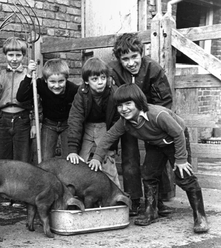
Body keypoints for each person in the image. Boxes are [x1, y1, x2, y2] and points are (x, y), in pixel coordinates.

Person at [89, 84, 209, 233]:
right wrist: (96, 157)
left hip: (176, 140)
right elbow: (108, 137)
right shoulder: (124, 122)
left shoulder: (158, 115)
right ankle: (151, 211)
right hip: (156, 144)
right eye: (119, 106)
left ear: (139, 102)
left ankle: (200, 216)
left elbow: (178, 133)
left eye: (128, 104)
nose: (124, 109)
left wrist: (181, 160)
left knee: (183, 175)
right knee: (148, 174)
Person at [109, 33, 173, 216]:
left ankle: (157, 200)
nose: (130, 63)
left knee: (155, 156)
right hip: (127, 119)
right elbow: (112, 101)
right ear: (119, 60)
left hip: (150, 118)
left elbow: (165, 100)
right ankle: (134, 200)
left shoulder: (154, 69)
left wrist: (153, 121)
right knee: (129, 158)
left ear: (141, 53)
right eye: (125, 59)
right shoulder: (113, 71)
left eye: (134, 57)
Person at [66, 57, 121, 188]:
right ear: (86, 81)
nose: (100, 82)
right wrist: (73, 149)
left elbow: (116, 122)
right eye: (94, 79)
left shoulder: (114, 93)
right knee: (80, 160)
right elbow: (75, 119)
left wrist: (112, 145)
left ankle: (116, 195)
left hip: (106, 128)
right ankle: (80, 193)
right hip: (88, 127)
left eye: (103, 78)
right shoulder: (82, 93)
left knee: (107, 160)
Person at [17, 58, 79, 161]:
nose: (57, 85)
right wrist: (28, 75)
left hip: (67, 125)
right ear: (46, 80)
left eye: (61, 81)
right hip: (49, 124)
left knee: (69, 158)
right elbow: (21, 97)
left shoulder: (73, 89)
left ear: (66, 79)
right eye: (52, 82)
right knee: (45, 158)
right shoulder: (40, 85)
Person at [0, 37, 32, 162]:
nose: (14, 59)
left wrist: (35, 124)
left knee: (22, 159)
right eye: (10, 55)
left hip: (22, 120)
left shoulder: (28, 74)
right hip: (3, 120)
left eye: (18, 55)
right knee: (3, 159)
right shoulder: (0, 73)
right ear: (5, 55)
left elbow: (36, 101)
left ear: (23, 55)